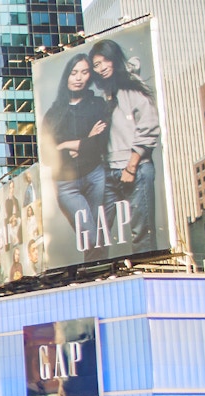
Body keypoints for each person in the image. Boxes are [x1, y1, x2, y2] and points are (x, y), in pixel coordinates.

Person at [90, 39, 161, 256]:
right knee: (96, 235)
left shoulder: (131, 87)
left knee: (142, 234)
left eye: (105, 61)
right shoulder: (105, 94)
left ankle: (147, 278)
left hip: (135, 170)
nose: (101, 68)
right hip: (109, 171)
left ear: (114, 59)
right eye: (96, 64)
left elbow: (149, 125)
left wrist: (131, 166)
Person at [40, 52, 109, 262]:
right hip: (66, 184)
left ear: (90, 76)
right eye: (74, 72)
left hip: (96, 175)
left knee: (100, 241)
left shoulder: (98, 105)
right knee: (92, 238)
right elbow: (46, 154)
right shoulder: (53, 114)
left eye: (84, 72)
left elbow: (101, 143)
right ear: (66, 76)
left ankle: (96, 282)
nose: (78, 78)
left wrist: (66, 144)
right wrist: (86, 140)